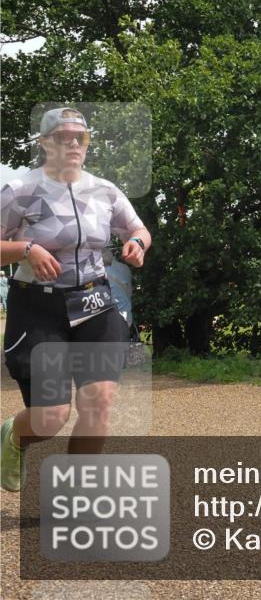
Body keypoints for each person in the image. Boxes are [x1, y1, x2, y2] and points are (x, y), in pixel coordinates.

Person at [0, 107, 151, 492]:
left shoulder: (104, 190)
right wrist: (25, 248)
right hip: (38, 307)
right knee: (49, 417)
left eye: (80, 138)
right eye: (63, 137)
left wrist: (136, 243)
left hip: (94, 303)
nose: (73, 144)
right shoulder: (19, 192)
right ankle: (13, 437)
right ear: (45, 142)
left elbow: (137, 227)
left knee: (99, 404)